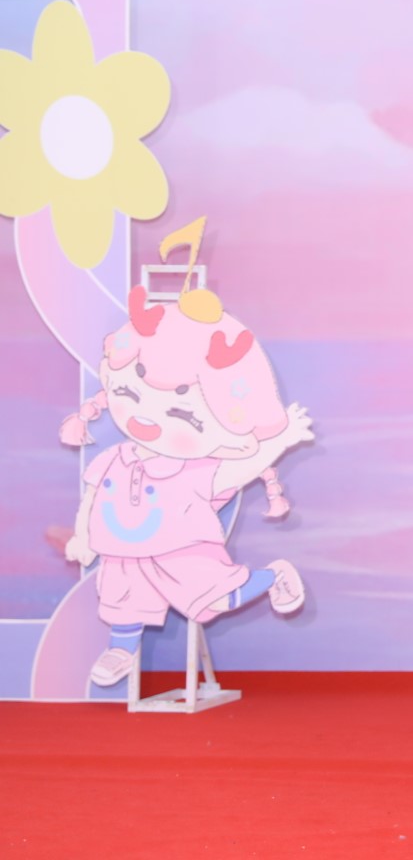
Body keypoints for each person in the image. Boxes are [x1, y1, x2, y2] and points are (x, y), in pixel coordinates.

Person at [59, 284, 313, 687]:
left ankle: (272, 577)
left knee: (215, 597)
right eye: (128, 393)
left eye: (183, 414)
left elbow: (241, 471)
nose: (147, 419)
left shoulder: (197, 470)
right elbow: (91, 499)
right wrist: (82, 537)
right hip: (122, 553)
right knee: (123, 601)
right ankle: (121, 648)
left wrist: (280, 441)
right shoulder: (113, 459)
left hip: (183, 552)